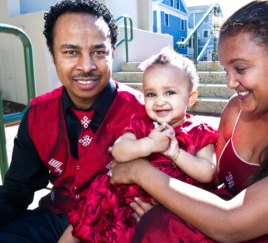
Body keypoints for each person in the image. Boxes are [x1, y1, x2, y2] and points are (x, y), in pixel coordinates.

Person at [108, 0, 268, 242]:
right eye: (226, 69)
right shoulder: (236, 110)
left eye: (240, 68)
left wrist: (140, 171)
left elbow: (230, 223)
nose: (230, 81)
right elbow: (211, 182)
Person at [0, 0, 146, 243]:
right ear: (52, 54)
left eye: (98, 52)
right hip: (54, 219)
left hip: (118, 226)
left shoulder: (144, 113)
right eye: (71, 52)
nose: (86, 66)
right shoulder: (37, 114)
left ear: (113, 52)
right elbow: (17, 189)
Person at [58, 48, 218, 243]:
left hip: (167, 205)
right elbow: (119, 150)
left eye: (169, 92)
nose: (159, 101)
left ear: (190, 98)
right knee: (81, 225)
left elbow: (207, 172)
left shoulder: (199, 131)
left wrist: (176, 154)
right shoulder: (142, 125)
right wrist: (149, 144)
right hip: (121, 199)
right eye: (151, 94)